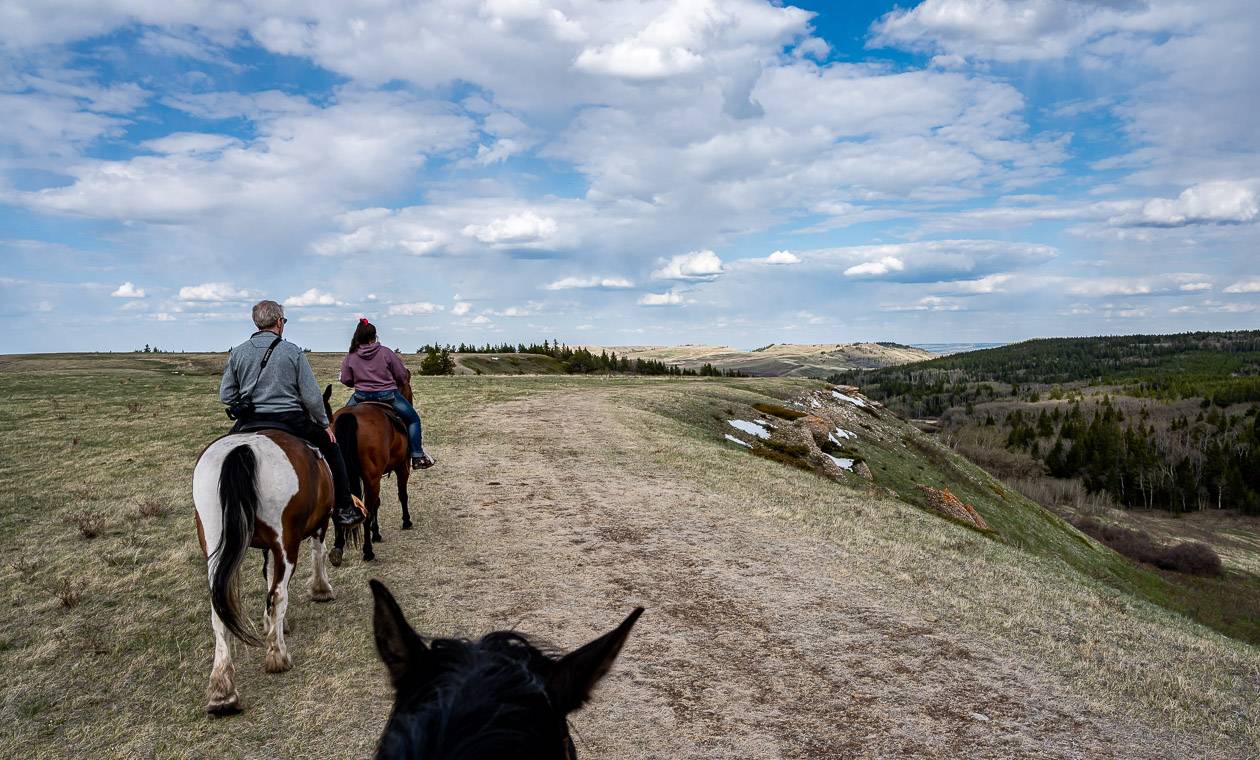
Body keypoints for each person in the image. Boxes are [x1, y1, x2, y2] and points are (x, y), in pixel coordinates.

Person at [220, 300, 364, 528]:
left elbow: (226, 395)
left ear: (256, 323)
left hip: (249, 420)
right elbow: (312, 397)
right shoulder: (293, 352)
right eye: (283, 321)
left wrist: (244, 402)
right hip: (290, 419)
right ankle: (345, 508)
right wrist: (324, 423)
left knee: (222, 453)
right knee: (333, 449)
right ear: (279, 322)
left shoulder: (237, 353)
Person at [340, 318, 435, 469]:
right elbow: (402, 376)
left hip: (361, 397)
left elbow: (345, 379)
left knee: (341, 422)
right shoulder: (385, 352)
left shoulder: (351, 355)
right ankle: (417, 455)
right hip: (388, 396)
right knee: (413, 419)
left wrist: (357, 383)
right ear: (374, 336)